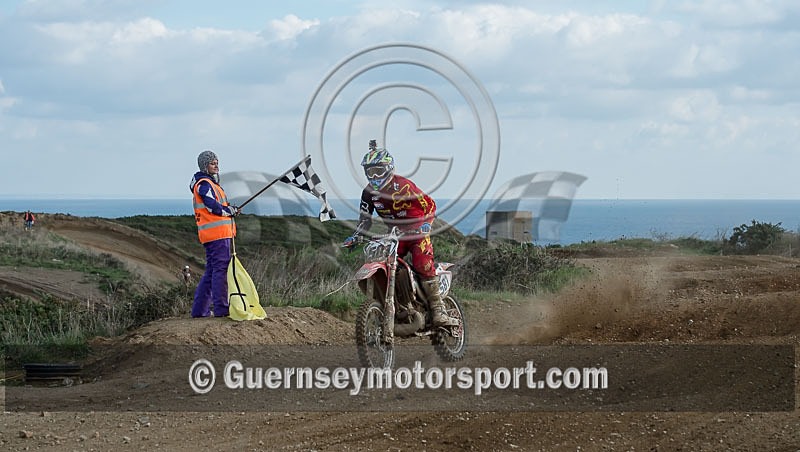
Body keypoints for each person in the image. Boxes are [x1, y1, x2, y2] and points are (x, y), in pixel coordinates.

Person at [343, 140, 457, 327]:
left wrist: (426, 225)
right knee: (385, 261)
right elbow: (365, 219)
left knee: (422, 262)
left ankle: (439, 310)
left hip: (417, 231)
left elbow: (429, 204)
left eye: (378, 170)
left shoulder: (403, 186)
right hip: (396, 235)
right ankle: (398, 304)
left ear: (389, 168)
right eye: (370, 172)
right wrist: (356, 236)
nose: (375, 176)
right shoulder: (369, 193)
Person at [189, 150, 240, 318]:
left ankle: (200, 310)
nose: (216, 165)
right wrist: (228, 211)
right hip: (217, 235)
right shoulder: (204, 184)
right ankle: (221, 309)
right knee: (220, 271)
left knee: (212, 271)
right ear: (205, 166)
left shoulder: (209, 184)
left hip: (215, 235)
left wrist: (229, 211)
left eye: (217, 162)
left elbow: (216, 207)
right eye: (212, 163)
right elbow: (212, 207)